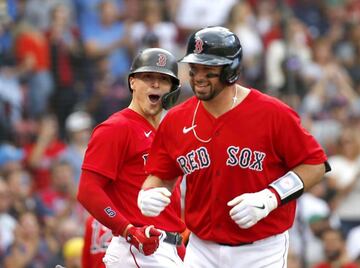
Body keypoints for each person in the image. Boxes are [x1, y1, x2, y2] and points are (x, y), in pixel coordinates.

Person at [137, 26, 331, 268]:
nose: (198, 76)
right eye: (194, 68)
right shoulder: (176, 120)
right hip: (201, 248)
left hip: (261, 250)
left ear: (231, 70)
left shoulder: (272, 113)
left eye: (209, 69)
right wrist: (147, 193)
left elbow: (315, 165)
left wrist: (270, 198)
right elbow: (160, 177)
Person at [77, 48, 186, 267]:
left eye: (163, 79)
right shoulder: (116, 127)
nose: (155, 84)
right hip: (139, 248)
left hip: (172, 247)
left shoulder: (171, 132)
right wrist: (127, 230)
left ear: (172, 89)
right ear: (132, 82)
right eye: (148, 77)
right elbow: (87, 190)